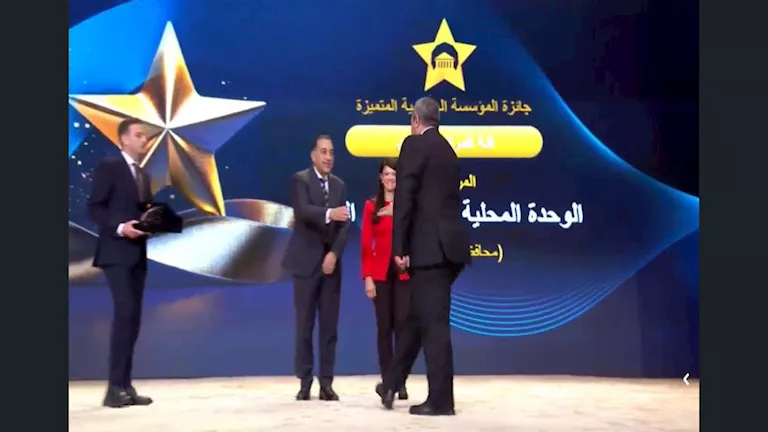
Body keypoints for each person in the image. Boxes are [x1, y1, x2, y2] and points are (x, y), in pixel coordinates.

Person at [375, 97, 471, 416]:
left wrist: (399, 248)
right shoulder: (447, 149)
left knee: (434, 324)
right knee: (417, 317)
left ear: (416, 120)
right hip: (450, 249)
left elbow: (405, 197)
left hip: (430, 250)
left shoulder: (414, 144)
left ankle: (441, 400)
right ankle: (391, 383)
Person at [87, 117, 154, 408]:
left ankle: (126, 386)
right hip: (115, 253)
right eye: (139, 135)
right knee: (125, 313)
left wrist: (155, 222)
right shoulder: (110, 166)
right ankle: (114, 388)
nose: (144, 140)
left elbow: (143, 212)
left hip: (137, 254)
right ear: (124, 139)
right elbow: (95, 207)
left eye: (145, 136)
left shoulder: (144, 175)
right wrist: (120, 227)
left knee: (133, 318)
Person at [282, 134, 351, 401]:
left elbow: (345, 225)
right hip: (305, 264)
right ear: (313, 156)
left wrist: (334, 254)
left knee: (329, 327)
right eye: (323, 152)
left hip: (330, 268)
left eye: (331, 152)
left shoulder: (339, 186)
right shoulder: (300, 180)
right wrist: (329, 214)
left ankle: (326, 383)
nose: (328, 157)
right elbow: (302, 210)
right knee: (305, 325)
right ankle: (305, 381)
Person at [360, 158, 411, 401]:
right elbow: (365, 244)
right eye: (387, 174)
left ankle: (399, 381)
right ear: (381, 178)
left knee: (402, 326)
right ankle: (388, 380)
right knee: (384, 328)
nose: (390, 178)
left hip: (403, 272)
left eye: (394, 174)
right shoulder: (371, 206)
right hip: (380, 273)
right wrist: (367, 277)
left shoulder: (407, 206)